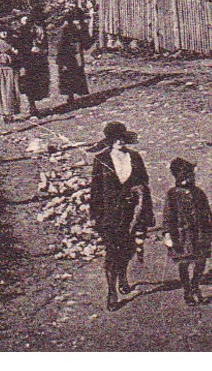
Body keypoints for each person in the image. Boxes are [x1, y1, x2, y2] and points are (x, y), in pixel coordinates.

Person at [90, 120, 155, 309]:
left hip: (131, 214)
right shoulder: (101, 160)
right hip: (109, 214)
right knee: (112, 252)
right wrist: (94, 216)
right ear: (109, 140)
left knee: (127, 249)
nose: (119, 141)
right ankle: (112, 292)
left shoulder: (134, 157)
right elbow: (96, 190)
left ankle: (123, 277)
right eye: (115, 138)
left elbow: (144, 183)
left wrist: (145, 209)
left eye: (121, 137)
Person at [162, 157, 212, 304]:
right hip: (182, 235)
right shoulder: (172, 194)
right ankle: (187, 290)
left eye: (191, 175)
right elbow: (168, 216)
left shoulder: (198, 192)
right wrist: (167, 233)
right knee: (184, 262)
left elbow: (206, 210)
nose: (189, 179)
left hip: (201, 232)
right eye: (186, 176)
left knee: (201, 261)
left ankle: (195, 285)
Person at [14, 11, 50, 116]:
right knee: (29, 83)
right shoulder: (22, 32)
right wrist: (30, 49)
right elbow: (19, 46)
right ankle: (32, 107)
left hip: (39, 60)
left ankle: (34, 106)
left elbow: (44, 43)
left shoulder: (39, 29)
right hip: (28, 61)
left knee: (39, 82)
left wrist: (43, 50)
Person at [55, 8, 93, 104]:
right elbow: (62, 44)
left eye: (79, 20)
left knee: (78, 71)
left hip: (77, 53)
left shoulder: (82, 28)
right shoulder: (67, 29)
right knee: (69, 73)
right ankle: (70, 95)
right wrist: (61, 58)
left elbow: (86, 43)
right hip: (68, 53)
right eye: (76, 20)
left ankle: (78, 92)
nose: (77, 22)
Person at [0, 27, 22, 121]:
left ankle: (11, 113)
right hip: (2, 71)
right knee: (3, 91)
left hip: (12, 70)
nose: (4, 33)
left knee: (12, 91)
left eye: (6, 31)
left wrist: (17, 54)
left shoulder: (11, 41)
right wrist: (8, 56)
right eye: (2, 31)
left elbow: (19, 54)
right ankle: (5, 114)